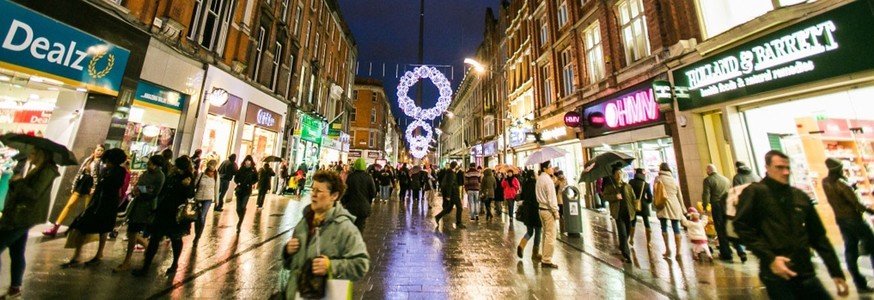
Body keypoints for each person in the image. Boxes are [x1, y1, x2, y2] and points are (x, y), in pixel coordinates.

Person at [735, 150, 848, 298]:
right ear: (767, 168)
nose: (786, 172)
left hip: (806, 272)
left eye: (788, 168)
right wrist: (770, 258)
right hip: (777, 274)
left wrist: (835, 272)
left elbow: (818, 236)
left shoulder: (799, 196)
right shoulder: (756, 193)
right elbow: (742, 226)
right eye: (780, 168)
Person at [280, 170, 369, 299]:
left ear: (334, 196)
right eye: (313, 189)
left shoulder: (345, 228)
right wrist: (287, 252)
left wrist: (331, 266)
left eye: (319, 191)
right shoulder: (304, 222)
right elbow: (291, 265)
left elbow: (361, 264)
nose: (313, 195)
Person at [0, 147, 60, 298]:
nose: (30, 155)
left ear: (41, 154)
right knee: (17, 251)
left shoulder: (47, 171)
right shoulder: (39, 168)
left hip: (24, 216)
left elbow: (34, 193)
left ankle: (15, 288)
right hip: (22, 214)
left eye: (33, 152)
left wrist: (19, 182)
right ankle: (15, 288)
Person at [132, 156, 196, 276]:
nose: (176, 168)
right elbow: (161, 191)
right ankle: (146, 266)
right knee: (155, 238)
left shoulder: (187, 178)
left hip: (176, 215)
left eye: (178, 166)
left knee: (175, 239)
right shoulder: (171, 176)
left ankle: (174, 263)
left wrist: (185, 185)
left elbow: (190, 194)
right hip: (164, 211)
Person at [63, 148, 127, 268]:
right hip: (99, 202)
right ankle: (78, 255)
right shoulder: (107, 170)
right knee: (84, 226)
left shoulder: (119, 172)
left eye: (109, 161)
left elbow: (113, 185)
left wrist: (101, 183)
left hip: (107, 204)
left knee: (103, 229)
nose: (106, 163)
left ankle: (96, 254)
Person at [822, 158, 874, 292]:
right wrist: (870, 211)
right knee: (872, 244)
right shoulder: (841, 184)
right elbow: (856, 204)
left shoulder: (825, 182)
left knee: (850, 250)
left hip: (841, 220)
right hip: (854, 219)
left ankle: (859, 283)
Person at [114, 155, 165, 273]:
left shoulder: (160, 176)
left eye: (151, 163)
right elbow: (139, 184)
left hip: (147, 207)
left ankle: (129, 261)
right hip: (137, 204)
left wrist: (140, 189)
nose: (149, 165)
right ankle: (147, 250)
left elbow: (154, 191)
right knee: (131, 232)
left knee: (133, 232)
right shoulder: (146, 173)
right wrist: (136, 189)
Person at [43, 144, 104, 236]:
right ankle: (56, 227)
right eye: (98, 150)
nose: (99, 152)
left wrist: (94, 188)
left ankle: (85, 229)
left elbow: (99, 176)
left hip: (91, 184)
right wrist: (74, 185)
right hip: (83, 182)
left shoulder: (101, 162)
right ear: (94, 150)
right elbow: (79, 172)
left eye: (101, 150)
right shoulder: (88, 159)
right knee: (69, 205)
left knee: (87, 208)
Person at [702, 164, 745, 262]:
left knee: (720, 228)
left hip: (717, 205)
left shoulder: (708, 180)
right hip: (728, 204)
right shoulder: (725, 179)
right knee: (730, 227)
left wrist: (705, 206)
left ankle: (726, 253)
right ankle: (740, 250)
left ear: (708, 170)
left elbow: (706, 194)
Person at [602, 167, 636, 263]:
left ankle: (622, 245)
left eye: (620, 173)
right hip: (618, 213)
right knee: (623, 234)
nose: (619, 175)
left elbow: (633, 197)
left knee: (628, 230)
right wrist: (615, 197)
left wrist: (634, 208)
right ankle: (626, 255)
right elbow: (605, 196)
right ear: (613, 175)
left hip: (629, 213)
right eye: (617, 173)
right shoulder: (610, 187)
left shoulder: (627, 186)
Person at [653, 163, 685, 260]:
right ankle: (678, 251)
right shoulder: (673, 180)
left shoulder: (658, 179)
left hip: (663, 205)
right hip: (675, 205)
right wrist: (683, 208)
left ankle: (667, 249)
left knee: (664, 227)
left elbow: (655, 193)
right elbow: (679, 195)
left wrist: (655, 204)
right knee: (676, 228)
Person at [535, 162, 560, 268]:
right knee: (550, 235)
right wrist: (555, 211)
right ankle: (547, 259)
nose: (552, 168)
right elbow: (551, 198)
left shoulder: (540, 178)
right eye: (550, 167)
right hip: (548, 210)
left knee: (545, 234)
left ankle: (545, 256)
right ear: (545, 168)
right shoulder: (547, 181)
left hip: (541, 209)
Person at [342, 158, 376, 232]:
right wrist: (368, 201)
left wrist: (344, 202)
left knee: (351, 226)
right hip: (363, 207)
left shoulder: (350, 177)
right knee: (360, 227)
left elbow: (346, 191)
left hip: (351, 206)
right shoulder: (368, 177)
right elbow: (373, 192)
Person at [516, 170, 542, 259]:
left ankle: (521, 245)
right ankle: (535, 253)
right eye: (535, 174)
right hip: (535, 211)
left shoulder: (525, 184)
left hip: (527, 211)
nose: (536, 175)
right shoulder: (535, 185)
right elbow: (537, 198)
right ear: (532, 176)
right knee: (538, 231)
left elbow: (522, 196)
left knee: (530, 232)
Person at [193, 159, 219, 243]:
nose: (212, 167)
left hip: (208, 199)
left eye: (213, 165)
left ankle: (198, 236)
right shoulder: (201, 175)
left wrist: (216, 200)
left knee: (202, 216)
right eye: (211, 165)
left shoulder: (216, 176)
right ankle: (197, 232)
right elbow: (194, 185)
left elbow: (217, 188)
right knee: (197, 217)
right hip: (198, 198)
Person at [435, 162, 465, 229]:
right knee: (459, 207)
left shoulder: (450, 173)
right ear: (455, 166)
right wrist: (448, 195)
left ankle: (438, 217)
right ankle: (458, 222)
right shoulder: (451, 174)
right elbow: (450, 185)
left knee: (449, 208)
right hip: (454, 194)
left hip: (452, 193)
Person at [628, 168, 653, 248]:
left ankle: (631, 239)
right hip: (643, 205)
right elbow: (650, 197)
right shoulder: (645, 184)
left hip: (633, 204)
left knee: (633, 222)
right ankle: (649, 242)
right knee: (646, 223)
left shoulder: (631, 182)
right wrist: (646, 202)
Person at [234, 155, 258, 232]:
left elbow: (256, 178)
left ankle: (239, 224)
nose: (248, 162)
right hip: (239, 190)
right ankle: (241, 218)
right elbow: (236, 177)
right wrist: (238, 182)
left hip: (247, 190)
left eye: (249, 160)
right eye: (246, 160)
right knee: (238, 208)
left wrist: (251, 183)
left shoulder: (253, 170)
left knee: (243, 206)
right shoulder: (241, 169)